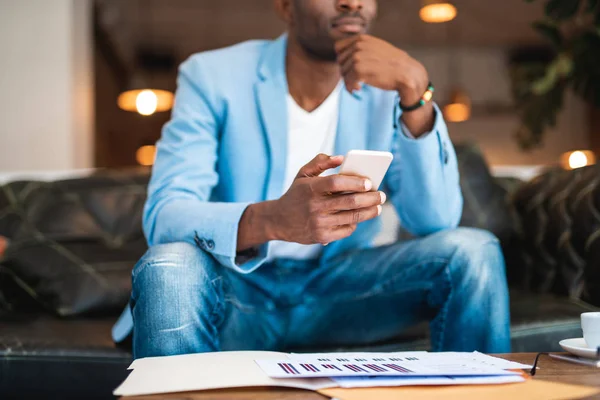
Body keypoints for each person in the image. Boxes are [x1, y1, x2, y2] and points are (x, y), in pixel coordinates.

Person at [112, 0, 511, 358]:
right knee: (169, 263)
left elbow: (436, 221)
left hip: (342, 291)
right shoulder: (212, 76)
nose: (351, 3)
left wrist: (416, 92)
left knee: (473, 251)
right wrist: (271, 220)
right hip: (236, 292)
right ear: (286, 7)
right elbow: (165, 217)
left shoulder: (389, 89)